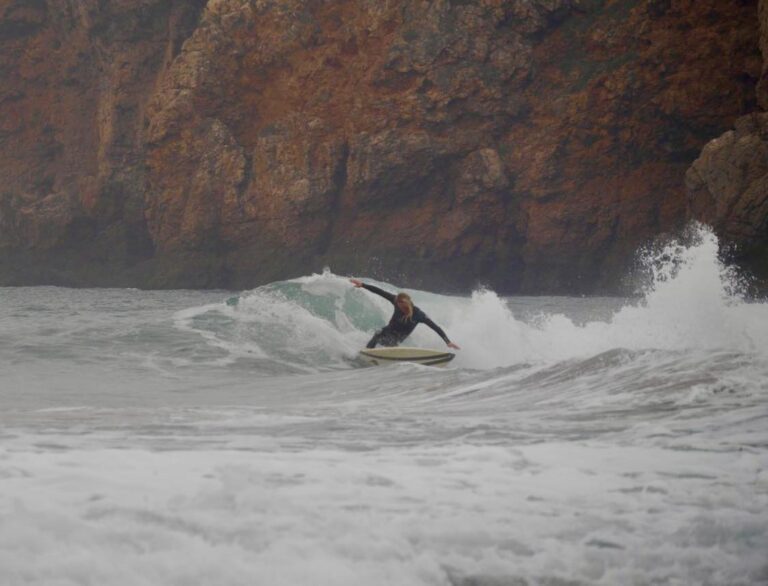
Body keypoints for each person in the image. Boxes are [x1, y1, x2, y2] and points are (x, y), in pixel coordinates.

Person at [350, 278, 460, 350]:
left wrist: (448, 342)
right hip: (387, 331)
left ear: (406, 304)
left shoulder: (418, 314)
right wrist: (363, 285)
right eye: (397, 305)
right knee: (378, 334)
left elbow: (435, 327)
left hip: (397, 338)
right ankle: (367, 353)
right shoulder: (396, 301)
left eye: (401, 307)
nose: (399, 307)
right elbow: (380, 292)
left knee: (389, 343)